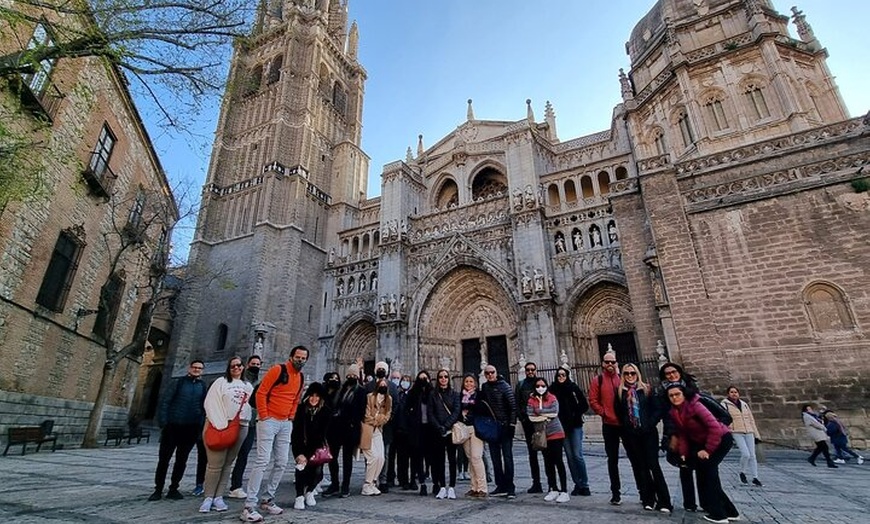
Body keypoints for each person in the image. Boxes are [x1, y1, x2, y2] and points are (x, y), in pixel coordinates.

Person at [240, 345, 308, 522]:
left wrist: (291, 417)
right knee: (262, 460)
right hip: (269, 420)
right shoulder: (278, 369)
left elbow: (296, 399)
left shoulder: (300, 377)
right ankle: (249, 506)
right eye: (298, 357)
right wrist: (264, 415)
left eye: (303, 358)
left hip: (285, 423)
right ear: (291, 356)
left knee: (282, 462)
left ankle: (267, 499)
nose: (300, 360)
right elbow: (261, 392)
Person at [666, 383, 738, 524]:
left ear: (684, 394)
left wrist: (707, 450)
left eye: (677, 394)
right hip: (705, 442)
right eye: (671, 396)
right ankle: (730, 512)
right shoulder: (675, 412)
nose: (674, 398)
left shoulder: (696, 406)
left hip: (721, 439)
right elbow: (683, 435)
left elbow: (715, 428)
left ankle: (719, 515)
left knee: (708, 475)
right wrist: (683, 453)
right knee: (707, 474)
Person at [199, 356, 254, 513]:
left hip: (241, 426)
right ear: (228, 368)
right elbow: (210, 403)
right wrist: (220, 423)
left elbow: (251, 405)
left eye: (239, 365)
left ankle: (219, 497)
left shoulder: (247, 386)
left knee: (228, 463)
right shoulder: (220, 382)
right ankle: (208, 497)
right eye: (233, 366)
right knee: (215, 465)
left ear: (244, 367)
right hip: (219, 425)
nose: (236, 368)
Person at [615, 364, 671, 513]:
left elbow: (658, 409)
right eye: (626, 373)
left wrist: (649, 424)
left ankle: (664, 501)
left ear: (637, 374)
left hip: (648, 434)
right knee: (641, 467)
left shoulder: (646, 389)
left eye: (632, 373)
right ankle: (648, 499)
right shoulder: (620, 392)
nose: (629, 375)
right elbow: (619, 412)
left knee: (654, 466)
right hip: (631, 435)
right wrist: (627, 427)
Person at [149, 360, 207, 502]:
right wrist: (164, 423)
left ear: (202, 371)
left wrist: (200, 425)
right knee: (164, 460)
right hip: (172, 427)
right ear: (189, 368)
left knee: (182, 461)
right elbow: (165, 401)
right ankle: (158, 489)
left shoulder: (202, 386)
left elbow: (203, 407)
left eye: (199, 368)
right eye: (194, 367)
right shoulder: (178, 382)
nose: (196, 370)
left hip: (191, 428)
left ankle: (174, 488)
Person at [656, 362, 700, 512]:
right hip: (678, 434)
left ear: (679, 372)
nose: (671, 375)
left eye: (673, 372)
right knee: (684, 468)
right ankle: (689, 504)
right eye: (667, 374)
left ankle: (711, 502)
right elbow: (665, 416)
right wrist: (671, 435)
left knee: (704, 470)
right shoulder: (662, 392)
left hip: (695, 433)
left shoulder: (691, 388)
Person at [323, 363, 367, 498]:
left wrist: (352, 423)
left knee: (347, 459)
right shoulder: (340, 389)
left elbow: (361, 410)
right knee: (332, 458)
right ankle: (334, 484)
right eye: (349, 375)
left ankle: (345, 486)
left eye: (354, 375)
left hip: (350, 429)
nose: (351, 377)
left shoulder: (360, 391)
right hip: (336, 428)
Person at [588, 349, 624, 505]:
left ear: (616, 363)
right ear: (602, 363)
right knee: (612, 460)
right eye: (607, 362)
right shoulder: (598, 380)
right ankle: (615, 492)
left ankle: (644, 493)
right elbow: (593, 400)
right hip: (609, 424)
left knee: (637, 459)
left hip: (625, 425)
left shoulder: (623, 378)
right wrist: (604, 413)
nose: (610, 364)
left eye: (612, 362)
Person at [548, 365, 590, 497]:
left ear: (567, 376)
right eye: (559, 375)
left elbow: (584, 404)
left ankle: (585, 484)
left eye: (563, 375)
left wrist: (575, 414)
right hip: (561, 427)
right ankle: (577, 484)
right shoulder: (552, 389)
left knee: (577, 455)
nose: (561, 377)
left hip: (575, 425)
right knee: (570, 457)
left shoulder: (573, 388)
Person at [527, 377, 570, 503]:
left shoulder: (552, 398)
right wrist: (545, 414)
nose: (540, 388)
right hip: (542, 435)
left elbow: (554, 413)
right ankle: (553, 488)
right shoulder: (531, 399)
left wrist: (539, 412)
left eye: (542, 385)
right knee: (548, 462)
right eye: (538, 385)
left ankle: (564, 490)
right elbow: (530, 416)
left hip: (556, 432)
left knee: (558, 461)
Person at [291, 382, 331, 510]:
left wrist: (313, 453)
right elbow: (296, 433)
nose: (314, 399)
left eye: (317, 396)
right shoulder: (301, 410)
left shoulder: (325, 411)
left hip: (317, 448)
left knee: (317, 472)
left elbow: (324, 433)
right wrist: (299, 453)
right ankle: (299, 496)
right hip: (302, 446)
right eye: (312, 396)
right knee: (301, 470)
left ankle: (310, 491)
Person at [478, 364, 517, 499]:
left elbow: (513, 407)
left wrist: (512, 425)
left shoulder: (505, 386)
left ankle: (510, 487)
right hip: (492, 428)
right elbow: (482, 405)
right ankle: (500, 485)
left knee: (507, 457)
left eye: (492, 372)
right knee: (495, 458)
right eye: (487, 373)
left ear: (496, 372)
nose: (490, 375)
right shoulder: (484, 387)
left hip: (505, 426)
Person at [228, 355, 263, 499]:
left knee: (243, 455)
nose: (256, 365)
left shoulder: (260, 382)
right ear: (247, 364)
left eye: (258, 364)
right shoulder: (240, 381)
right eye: (253, 363)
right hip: (234, 422)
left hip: (251, 423)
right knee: (227, 455)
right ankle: (213, 485)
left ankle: (235, 486)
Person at [365, 361, 399, 492]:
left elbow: (396, 405)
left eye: (383, 369)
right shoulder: (368, 386)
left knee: (384, 454)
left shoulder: (392, 387)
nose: (380, 370)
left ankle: (383, 480)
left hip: (386, 427)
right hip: (370, 426)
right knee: (370, 455)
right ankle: (370, 480)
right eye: (378, 368)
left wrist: (386, 419)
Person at [721, 386, 762, 485]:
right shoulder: (724, 404)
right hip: (736, 431)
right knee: (746, 454)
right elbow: (723, 418)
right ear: (728, 394)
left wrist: (757, 435)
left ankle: (755, 477)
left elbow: (751, 419)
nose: (734, 394)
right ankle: (742, 472)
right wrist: (729, 430)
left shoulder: (744, 404)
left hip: (749, 431)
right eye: (731, 392)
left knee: (752, 455)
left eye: (735, 392)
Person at [430, 369, 461, 499]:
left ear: (449, 379)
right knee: (439, 460)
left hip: (450, 431)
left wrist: (446, 426)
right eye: (441, 377)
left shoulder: (454, 394)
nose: (443, 379)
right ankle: (442, 487)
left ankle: (452, 487)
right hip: (438, 432)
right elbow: (430, 413)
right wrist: (439, 427)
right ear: (438, 379)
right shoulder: (433, 395)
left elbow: (456, 411)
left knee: (452, 459)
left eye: (446, 377)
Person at [405, 370, 436, 496]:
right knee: (418, 457)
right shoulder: (413, 393)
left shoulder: (433, 393)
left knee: (432, 457)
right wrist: (412, 420)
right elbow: (406, 409)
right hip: (417, 429)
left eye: (425, 378)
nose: (423, 380)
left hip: (431, 429)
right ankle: (422, 483)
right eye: (420, 378)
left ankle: (436, 484)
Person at [515, 361, 544, 493]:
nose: (530, 372)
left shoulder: (540, 384)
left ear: (536, 370)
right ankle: (536, 483)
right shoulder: (521, 385)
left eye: (532, 369)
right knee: (532, 455)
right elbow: (517, 402)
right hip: (528, 424)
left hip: (541, 423)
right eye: (528, 370)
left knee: (546, 453)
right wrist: (523, 418)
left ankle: (552, 483)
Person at [360, 378, 393, 495]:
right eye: (381, 384)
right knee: (372, 458)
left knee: (381, 458)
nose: (383, 386)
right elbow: (366, 415)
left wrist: (377, 420)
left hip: (379, 431)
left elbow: (387, 417)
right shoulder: (370, 397)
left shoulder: (389, 400)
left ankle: (373, 482)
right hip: (367, 430)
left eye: (385, 384)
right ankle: (367, 484)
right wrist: (377, 419)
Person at [459, 373, 488, 498]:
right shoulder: (460, 396)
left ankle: (482, 488)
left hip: (477, 428)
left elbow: (483, 409)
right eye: (466, 381)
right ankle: (474, 487)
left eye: (471, 381)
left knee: (477, 457)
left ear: (475, 383)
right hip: (465, 428)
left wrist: (470, 406)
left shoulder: (480, 395)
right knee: (470, 458)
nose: (469, 384)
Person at [802, 404, 838, 468]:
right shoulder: (807, 416)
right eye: (809, 409)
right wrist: (823, 428)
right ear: (806, 410)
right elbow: (816, 424)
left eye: (810, 409)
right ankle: (829, 462)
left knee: (821, 447)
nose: (811, 410)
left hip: (818, 433)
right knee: (824, 447)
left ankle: (812, 458)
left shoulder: (812, 416)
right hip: (816, 434)